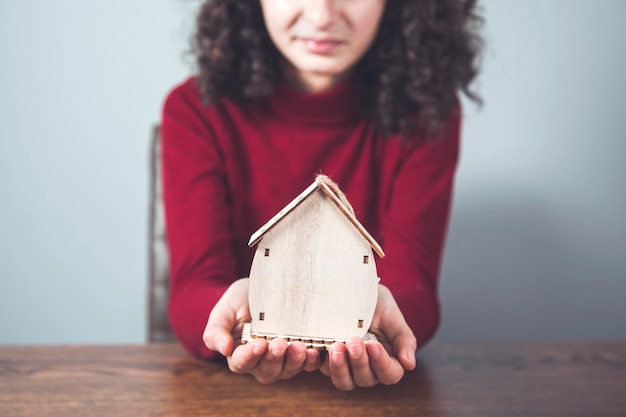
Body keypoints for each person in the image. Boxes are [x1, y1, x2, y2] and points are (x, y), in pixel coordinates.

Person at [161, 0, 482, 390]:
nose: (321, 16)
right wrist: (243, 314)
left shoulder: (428, 112)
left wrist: (378, 317)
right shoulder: (195, 110)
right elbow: (193, 291)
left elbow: (414, 287)